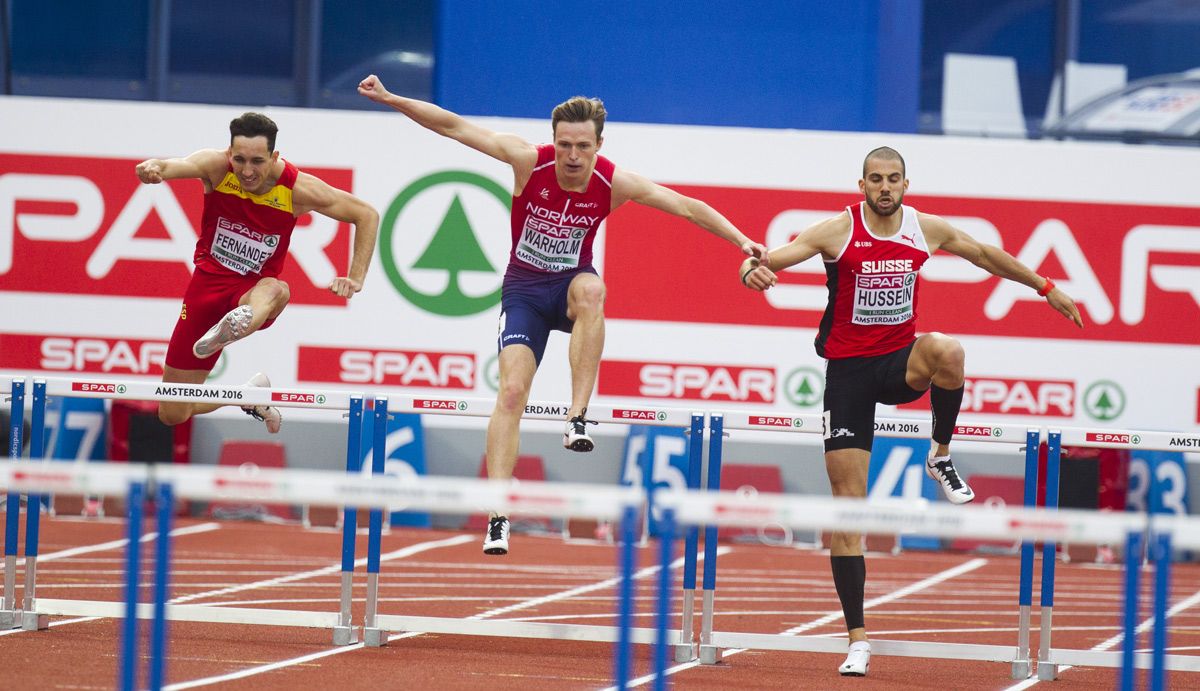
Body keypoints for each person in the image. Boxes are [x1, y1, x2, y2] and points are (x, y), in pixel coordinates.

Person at [358, 75, 767, 556]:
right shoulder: (529, 162)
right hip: (525, 292)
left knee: (594, 288)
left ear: (599, 145)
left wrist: (742, 240)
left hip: (571, 287)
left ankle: (577, 417)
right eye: (565, 144)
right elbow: (453, 127)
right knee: (511, 391)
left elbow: (686, 207)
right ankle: (498, 513)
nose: (573, 156)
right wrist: (391, 99)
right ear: (553, 141)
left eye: (583, 147)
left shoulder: (613, 182)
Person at [739, 146, 1083, 677]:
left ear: (905, 183)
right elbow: (775, 258)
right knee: (847, 513)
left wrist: (1047, 288)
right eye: (875, 179)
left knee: (948, 350)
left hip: (899, 364)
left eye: (892, 179)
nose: (884, 188)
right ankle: (857, 641)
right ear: (861, 185)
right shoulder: (838, 229)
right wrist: (751, 270)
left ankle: (940, 455)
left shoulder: (923, 228)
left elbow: (985, 255)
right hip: (848, 375)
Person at [136, 112, 379, 433]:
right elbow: (169, 166)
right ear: (228, 153)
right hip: (205, 290)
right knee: (172, 412)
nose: (247, 171)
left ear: (274, 157)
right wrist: (151, 167)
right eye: (239, 159)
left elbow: (366, 214)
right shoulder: (216, 167)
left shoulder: (297, 189)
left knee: (277, 290)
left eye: (257, 161)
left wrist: (356, 276)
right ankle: (247, 396)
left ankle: (242, 322)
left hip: (252, 290)